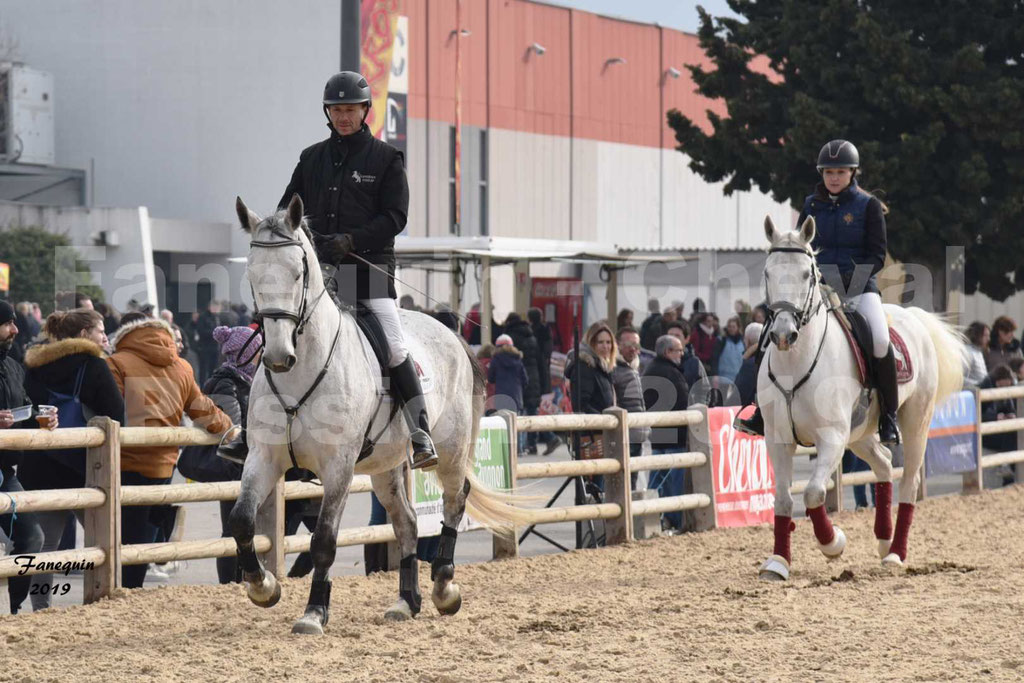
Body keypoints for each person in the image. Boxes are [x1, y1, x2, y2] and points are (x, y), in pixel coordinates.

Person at [279, 70, 436, 470]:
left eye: (351, 109)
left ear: (366, 110)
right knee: (277, 331)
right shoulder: (310, 158)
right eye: (336, 110)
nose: (343, 117)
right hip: (318, 274)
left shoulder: (385, 159)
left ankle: (420, 434)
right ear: (327, 113)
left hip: (367, 271)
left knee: (395, 345)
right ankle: (254, 430)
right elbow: (287, 210)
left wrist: (352, 239)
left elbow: (396, 217)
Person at [738, 139, 901, 445]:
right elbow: (800, 245)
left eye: (840, 172)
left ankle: (889, 416)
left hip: (858, 287)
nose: (834, 178)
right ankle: (761, 410)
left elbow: (877, 256)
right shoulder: (812, 204)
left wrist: (848, 281)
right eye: (829, 172)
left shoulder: (868, 206)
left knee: (879, 339)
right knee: (767, 336)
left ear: (852, 173)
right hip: (814, 288)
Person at [107, 313, 233, 588]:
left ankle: (119, 590)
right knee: (144, 538)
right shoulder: (182, 367)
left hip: (124, 464)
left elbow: (110, 413)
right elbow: (205, 412)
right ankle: (134, 585)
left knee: (120, 539)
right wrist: (230, 428)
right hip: (164, 465)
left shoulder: (116, 363)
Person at [20, 308, 124, 609]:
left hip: (40, 464)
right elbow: (116, 416)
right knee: (102, 539)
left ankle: (41, 605)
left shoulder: (35, 364)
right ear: (83, 335)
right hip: (86, 467)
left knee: (47, 546)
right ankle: (99, 601)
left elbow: (26, 410)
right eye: (99, 330)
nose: (104, 336)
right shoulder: (94, 365)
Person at [0, 300, 54, 613]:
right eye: (8, 323)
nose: (16, 329)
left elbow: (25, 409)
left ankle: (15, 611)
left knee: (33, 537)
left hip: (6, 471)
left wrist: (43, 418)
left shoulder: (13, 366)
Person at [641, 334, 690, 532]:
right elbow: (683, 401)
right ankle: (675, 518)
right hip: (673, 434)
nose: (682, 354)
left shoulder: (650, 368)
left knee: (657, 479)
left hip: (658, 434)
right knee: (673, 479)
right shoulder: (670, 372)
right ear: (667, 352)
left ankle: (656, 516)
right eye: (678, 350)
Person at [565, 321, 617, 463]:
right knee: (594, 482)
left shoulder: (603, 367)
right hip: (592, 436)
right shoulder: (585, 366)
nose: (606, 346)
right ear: (591, 343)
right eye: (600, 342)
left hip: (603, 432)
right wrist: (604, 420)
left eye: (608, 342)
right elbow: (580, 404)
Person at [611, 326, 647, 489]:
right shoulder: (613, 368)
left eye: (636, 345)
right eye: (628, 344)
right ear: (617, 344)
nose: (633, 349)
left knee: (632, 484)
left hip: (636, 433)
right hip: (623, 435)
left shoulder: (635, 367)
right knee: (621, 485)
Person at [503, 313, 542, 453]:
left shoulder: (511, 336)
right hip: (533, 375)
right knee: (531, 411)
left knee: (518, 414)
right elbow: (539, 358)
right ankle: (532, 444)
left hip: (517, 378)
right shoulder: (531, 336)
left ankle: (520, 447)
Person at [529, 307, 563, 455]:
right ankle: (536, 443)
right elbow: (548, 352)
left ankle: (548, 438)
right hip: (544, 376)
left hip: (534, 378)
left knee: (533, 410)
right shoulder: (546, 332)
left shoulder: (530, 334)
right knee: (538, 409)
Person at [487, 335, 529, 435]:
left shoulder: (495, 360)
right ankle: (519, 450)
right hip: (516, 397)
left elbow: (491, 378)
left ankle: (506, 450)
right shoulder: (518, 360)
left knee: (503, 426)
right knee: (516, 426)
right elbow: (525, 380)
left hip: (501, 397)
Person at [734, 322, 763, 408]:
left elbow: (739, 394)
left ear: (748, 340)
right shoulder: (765, 360)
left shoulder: (750, 364)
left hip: (750, 412)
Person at [711, 316, 745, 383]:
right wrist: (715, 374)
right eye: (729, 326)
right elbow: (714, 358)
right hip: (723, 378)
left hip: (738, 378)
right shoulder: (721, 341)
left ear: (738, 328)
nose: (731, 329)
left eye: (733, 327)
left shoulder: (743, 342)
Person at [196, 300, 221, 385]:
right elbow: (201, 331)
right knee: (204, 369)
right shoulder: (203, 317)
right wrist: (214, 332)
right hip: (205, 347)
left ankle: (211, 386)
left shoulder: (216, 317)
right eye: (215, 307)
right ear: (210, 307)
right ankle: (203, 387)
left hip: (215, 347)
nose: (217, 309)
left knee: (213, 369)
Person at [963, 322, 990, 389]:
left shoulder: (978, 352)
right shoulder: (967, 352)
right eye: (985, 335)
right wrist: (978, 384)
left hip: (981, 393)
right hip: (971, 395)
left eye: (988, 336)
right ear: (976, 335)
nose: (988, 339)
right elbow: (959, 378)